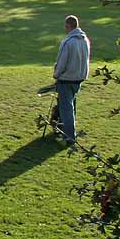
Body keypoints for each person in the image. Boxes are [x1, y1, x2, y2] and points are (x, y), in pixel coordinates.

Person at [53, 14, 91, 144]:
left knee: (66, 108)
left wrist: (56, 74)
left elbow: (62, 62)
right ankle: (61, 127)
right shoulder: (85, 40)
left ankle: (69, 136)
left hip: (66, 78)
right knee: (70, 104)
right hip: (79, 78)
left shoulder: (68, 42)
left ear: (68, 26)